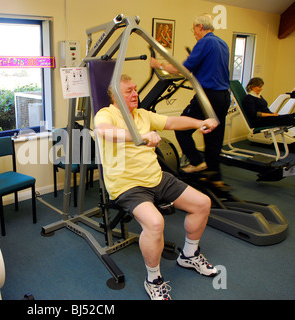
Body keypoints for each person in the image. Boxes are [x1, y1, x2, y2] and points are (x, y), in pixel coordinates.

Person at [94, 74, 219, 300]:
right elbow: (104, 131)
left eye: (135, 89)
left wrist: (199, 123)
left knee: (202, 203)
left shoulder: (143, 114)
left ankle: (189, 255)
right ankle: (153, 278)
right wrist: (139, 137)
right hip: (127, 184)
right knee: (155, 223)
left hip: (156, 177)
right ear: (115, 97)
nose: (135, 94)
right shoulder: (107, 114)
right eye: (128, 91)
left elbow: (171, 122)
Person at [150, 13, 230, 189]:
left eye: (194, 28)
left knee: (182, 129)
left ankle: (197, 162)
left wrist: (159, 65)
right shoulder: (221, 43)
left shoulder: (205, 42)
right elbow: (212, 68)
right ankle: (214, 178)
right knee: (213, 137)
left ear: (200, 27)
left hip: (208, 96)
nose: (193, 32)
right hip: (223, 96)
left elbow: (182, 70)